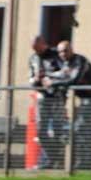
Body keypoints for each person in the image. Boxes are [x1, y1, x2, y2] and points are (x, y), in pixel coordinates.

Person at [42, 41, 91, 169]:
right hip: (83, 99)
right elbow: (62, 76)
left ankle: (85, 163)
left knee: (81, 128)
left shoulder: (80, 61)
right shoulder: (66, 63)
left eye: (65, 51)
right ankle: (82, 162)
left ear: (71, 50)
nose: (62, 54)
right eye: (60, 52)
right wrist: (48, 77)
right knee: (80, 130)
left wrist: (52, 83)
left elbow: (74, 79)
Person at [28, 35, 63, 168]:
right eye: (34, 49)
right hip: (41, 97)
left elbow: (65, 73)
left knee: (57, 129)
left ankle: (52, 160)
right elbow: (30, 79)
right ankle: (51, 157)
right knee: (40, 130)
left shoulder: (56, 55)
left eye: (37, 48)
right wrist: (35, 79)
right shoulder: (33, 59)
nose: (36, 52)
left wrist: (51, 78)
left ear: (43, 43)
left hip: (56, 97)